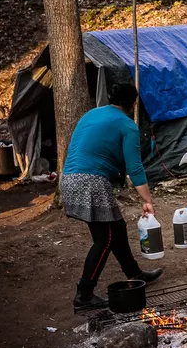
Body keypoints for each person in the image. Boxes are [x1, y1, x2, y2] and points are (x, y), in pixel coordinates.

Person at [62, 83, 162, 311]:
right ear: (133, 104)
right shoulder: (128, 125)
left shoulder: (92, 114)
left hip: (69, 177)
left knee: (115, 228)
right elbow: (134, 167)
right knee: (104, 239)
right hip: (91, 182)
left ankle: (134, 274)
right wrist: (147, 200)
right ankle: (84, 294)